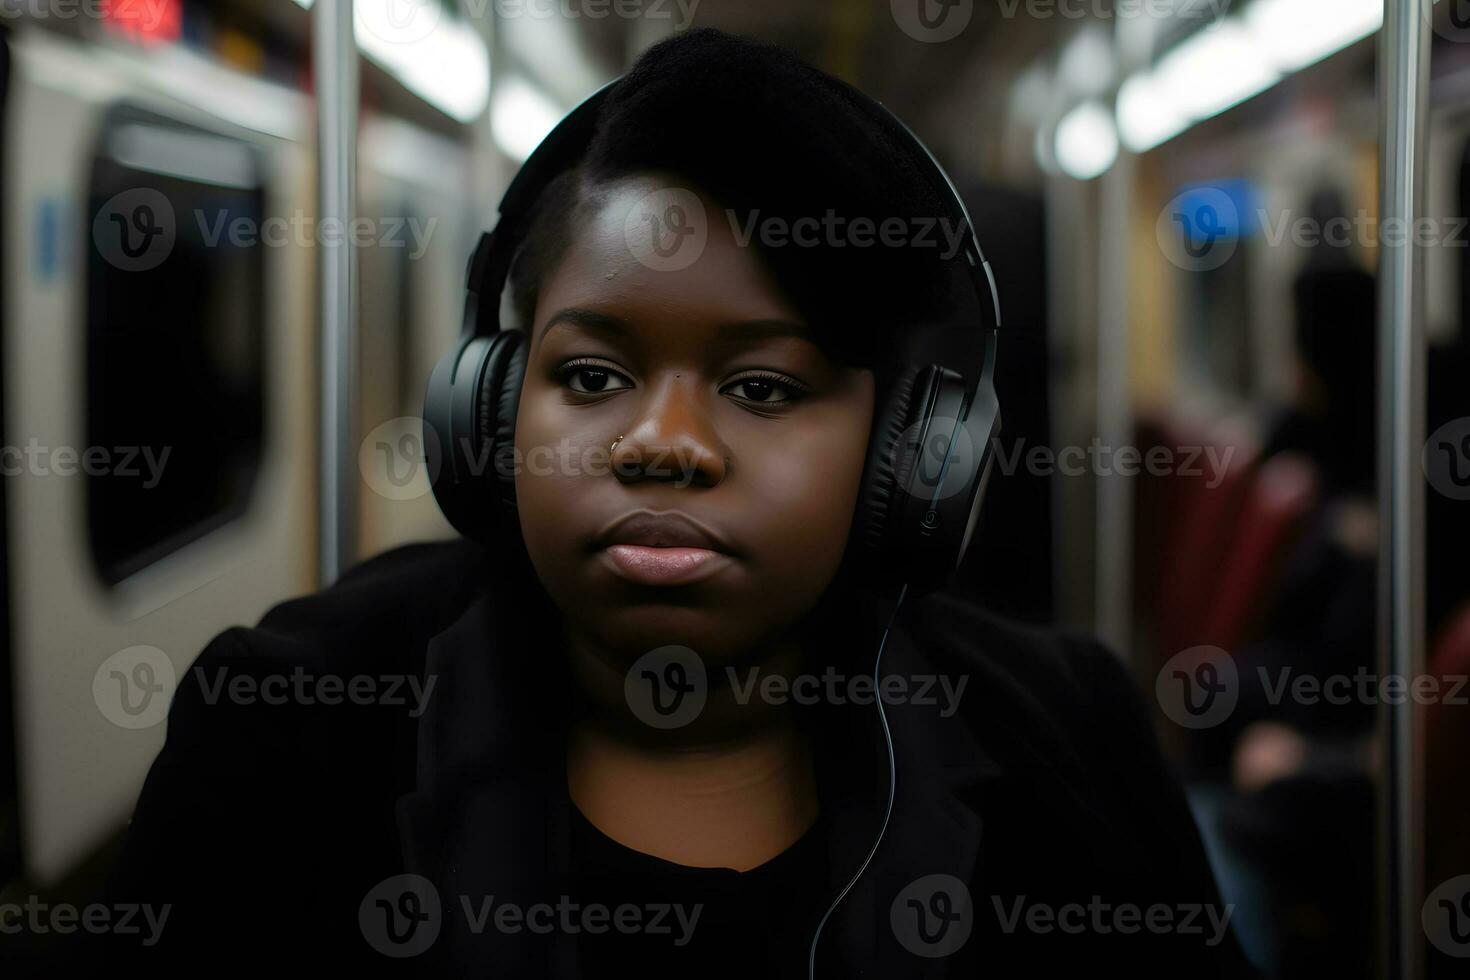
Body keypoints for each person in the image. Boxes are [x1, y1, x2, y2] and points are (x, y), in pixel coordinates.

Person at [100, 29, 1256, 979]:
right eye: (593, 377)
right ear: (493, 411)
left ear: (914, 446)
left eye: (763, 386)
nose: (664, 446)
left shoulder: (1069, 739)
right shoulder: (284, 728)